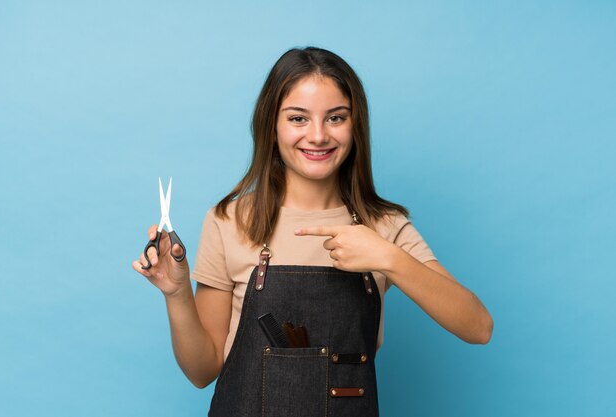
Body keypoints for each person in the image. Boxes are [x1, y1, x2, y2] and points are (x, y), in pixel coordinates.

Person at [132, 46, 493, 416]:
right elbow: (201, 371)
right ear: (272, 125)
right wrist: (176, 293)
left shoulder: (385, 225)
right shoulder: (229, 220)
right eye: (298, 119)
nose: (318, 136)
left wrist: (388, 257)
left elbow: (478, 327)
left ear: (356, 126)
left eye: (336, 118)